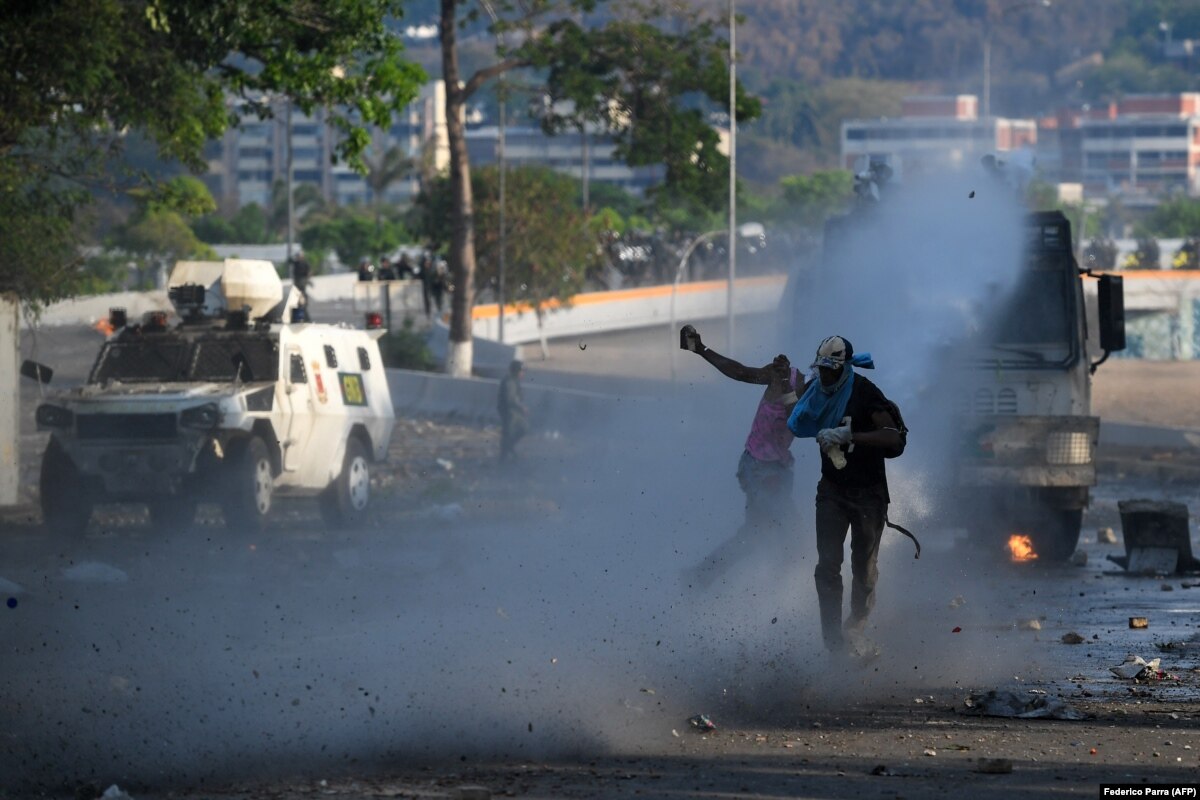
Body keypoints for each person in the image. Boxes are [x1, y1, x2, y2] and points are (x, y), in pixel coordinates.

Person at [787, 335, 904, 660]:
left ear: (842, 368)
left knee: (863, 569)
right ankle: (833, 643)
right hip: (832, 491)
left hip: (868, 495)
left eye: (829, 371)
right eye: (820, 370)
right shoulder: (815, 392)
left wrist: (852, 435)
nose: (823, 376)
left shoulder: (864, 392)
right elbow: (790, 409)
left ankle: (857, 622)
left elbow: (893, 439)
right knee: (827, 565)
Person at [680, 325, 802, 585]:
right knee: (788, 533)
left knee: (756, 535)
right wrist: (701, 349)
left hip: (773, 468)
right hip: (759, 469)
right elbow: (740, 372)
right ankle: (786, 595)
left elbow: (798, 421)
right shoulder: (786, 377)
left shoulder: (807, 391)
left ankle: (701, 576)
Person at [497, 359, 528, 461]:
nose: (522, 373)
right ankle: (504, 457)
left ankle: (509, 448)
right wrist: (521, 408)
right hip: (509, 412)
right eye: (521, 371)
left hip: (514, 412)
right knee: (508, 434)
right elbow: (510, 399)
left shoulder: (514, 381)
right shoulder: (509, 382)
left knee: (523, 429)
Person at [418, 252, 434, 316]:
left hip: (431, 288)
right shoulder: (423, 271)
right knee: (427, 300)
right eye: (426, 263)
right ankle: (428, 312)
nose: (427, 264)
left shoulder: (431, 271)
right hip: (425, 288)